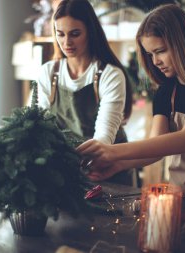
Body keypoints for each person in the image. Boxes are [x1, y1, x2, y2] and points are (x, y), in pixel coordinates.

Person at [77, 4, 185, 207]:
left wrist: (112, 151)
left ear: (183, 44)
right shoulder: (167, 90)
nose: (155, 61)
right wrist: (119, 165)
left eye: (160, 51)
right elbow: (157, 146)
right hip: (181, 198)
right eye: (150, 54)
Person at [34, 0, 135, 185]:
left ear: (90, 31)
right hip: (67, 172)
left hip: (109, 170)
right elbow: (39, 125)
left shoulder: (110, 75)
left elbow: (103, 139)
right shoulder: (48, 73)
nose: (66, 42)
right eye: (60, 34)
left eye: (75, 34)